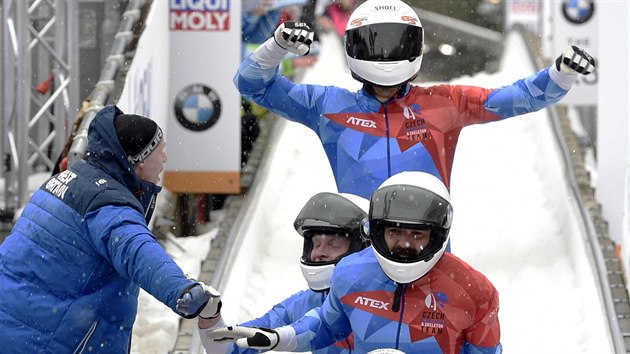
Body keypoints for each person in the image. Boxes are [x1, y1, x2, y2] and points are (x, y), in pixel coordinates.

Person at [233, 0, 596, 200]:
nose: (387, 54)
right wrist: (275, 47)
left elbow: (514, 98)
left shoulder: (445, 102)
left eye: (397, 43)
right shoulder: (329, 105)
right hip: (356, 251)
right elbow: (252, 85)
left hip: (429, 246)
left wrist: (558, 75)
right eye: (376, 43)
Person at [0, 105, 221, 353]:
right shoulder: (109, 205)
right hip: (47, 339)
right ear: (140, 161)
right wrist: (181, 289)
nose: (165, 160)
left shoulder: (66, 179)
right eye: (162, 152)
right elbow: (138, 252)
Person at [207, 171, 502, 353]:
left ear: (437, 234)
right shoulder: (350, 273)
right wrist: (279, 338)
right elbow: (326, 324)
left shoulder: (475, 291)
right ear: (378, 231)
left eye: (417, 234)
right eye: (395, 232)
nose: (404, 243)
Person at [198, 191, 370, 353]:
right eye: (316, 243)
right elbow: (229, 349)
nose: (319, 253)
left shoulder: (389, 298)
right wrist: (210, 317)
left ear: (361, 247)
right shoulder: (308, 302)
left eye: (333, 244)